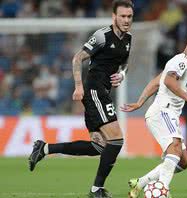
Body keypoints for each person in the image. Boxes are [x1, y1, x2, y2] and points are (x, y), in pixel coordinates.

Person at [28, 1, 134, 197]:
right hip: (94, 90)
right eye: (123, 16)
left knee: (99, 146)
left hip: (103, 91)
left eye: (129, 16)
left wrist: (123, 74)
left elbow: (125, 63)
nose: (126, 20)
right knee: (117, 141)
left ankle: (44, 148)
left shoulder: (128, 39)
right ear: (114, 17)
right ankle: (96, 190)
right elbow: (77, 58)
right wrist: (78, 86)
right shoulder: (102, 35)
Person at [120, 29, 187, 198]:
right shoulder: (182, 62)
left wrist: (140, 102)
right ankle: (161, 190)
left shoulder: (176, 62)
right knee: (174, 148)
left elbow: (157, 82)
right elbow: (168, 81)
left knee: (182, 162)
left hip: (168, 113)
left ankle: (140, 182)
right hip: (163, 111)